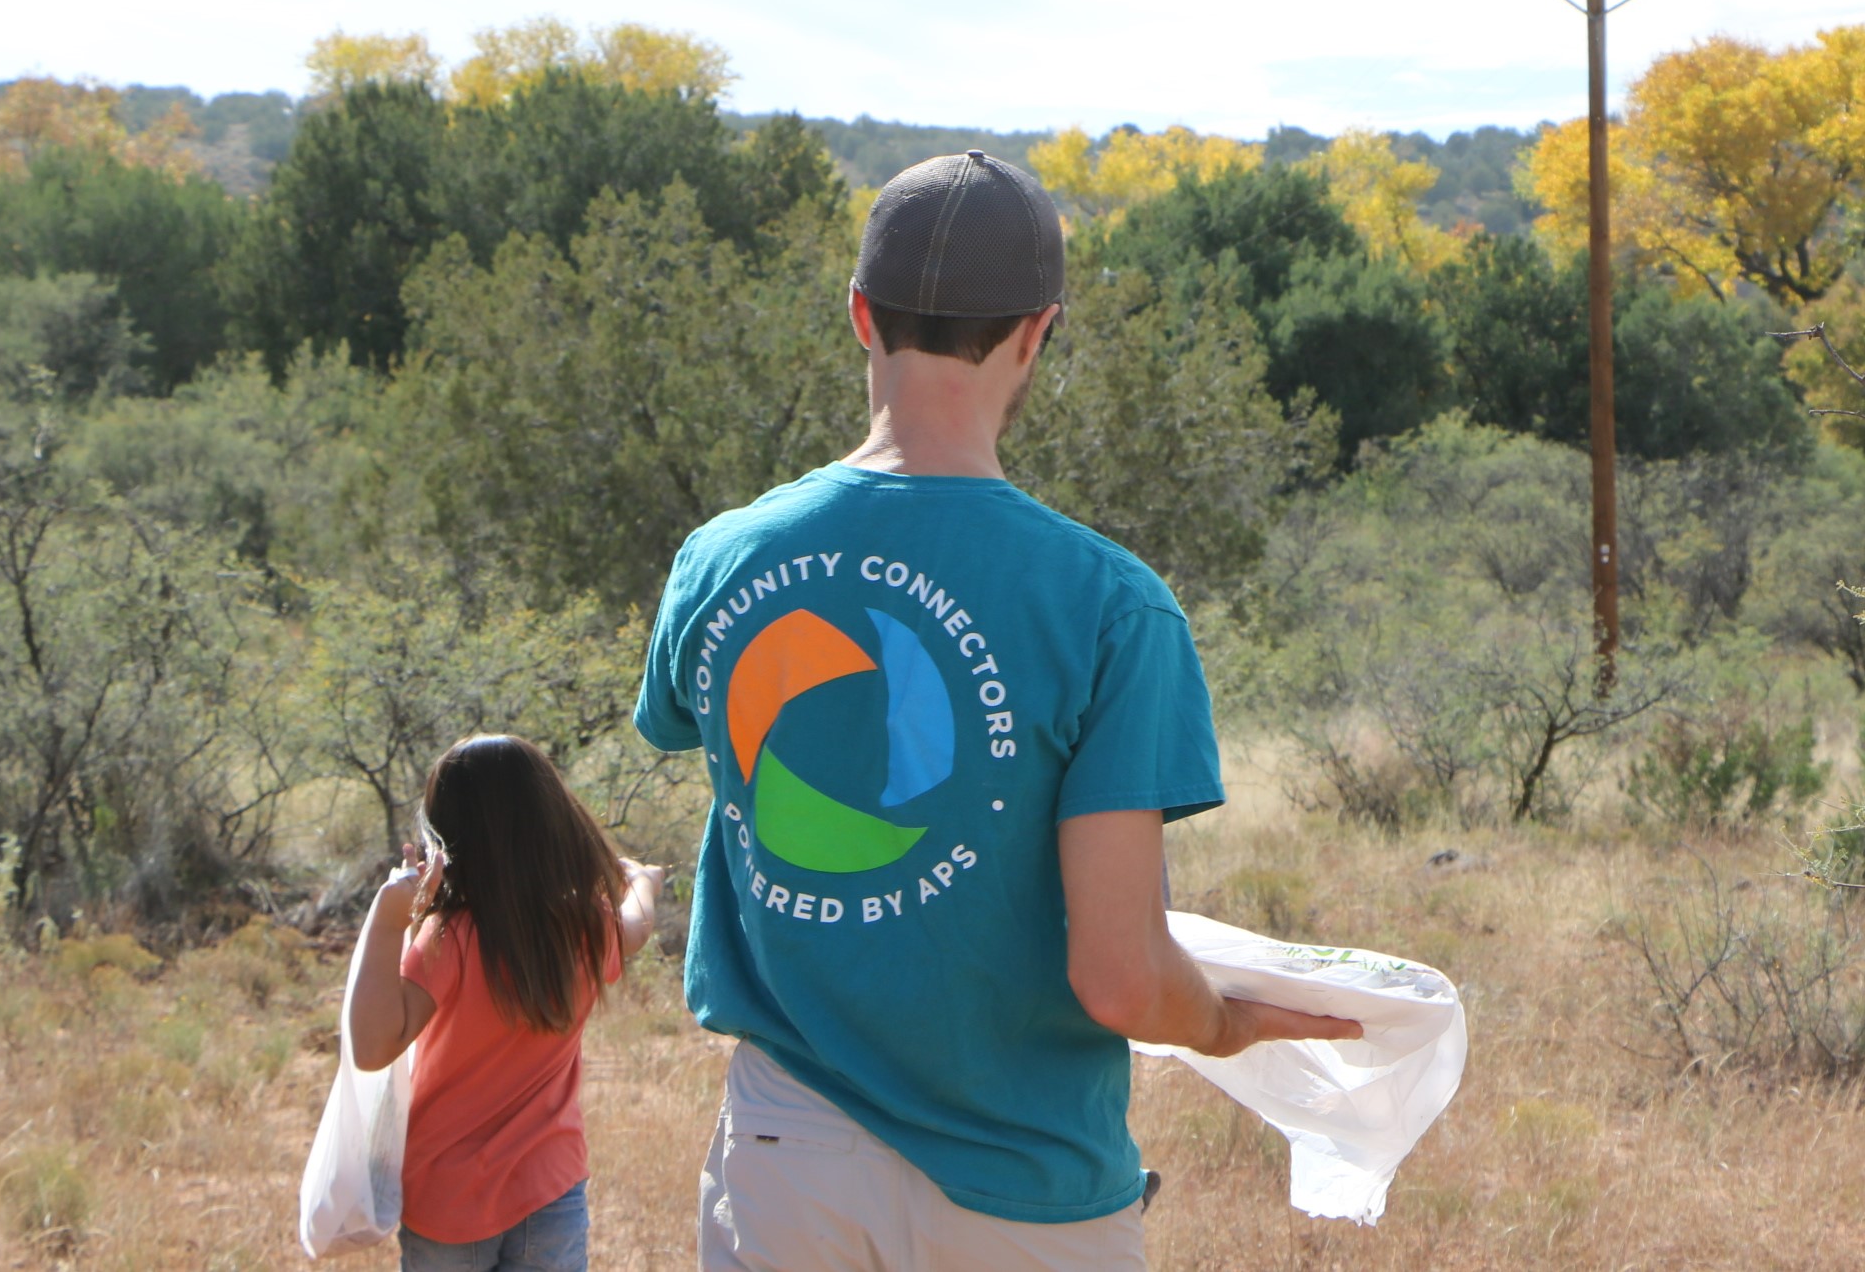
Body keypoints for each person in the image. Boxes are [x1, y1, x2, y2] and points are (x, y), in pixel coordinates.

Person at [634, 149, 1359, 1272]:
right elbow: (1118, 975)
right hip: (1022, 1185)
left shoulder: (720, 560)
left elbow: (710, 741)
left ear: (859, 314)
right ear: (1037, 331)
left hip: (785, 1158)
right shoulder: (1110, 606)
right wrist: (1222, 1020)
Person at [346, 734, 670, 1272]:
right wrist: (641, 880)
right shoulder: (585, 927)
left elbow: (373, 1048)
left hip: (446, 1192)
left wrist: (387, 918)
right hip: (550, 1187)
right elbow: (636, 923)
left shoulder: (451, 937)